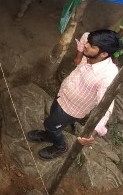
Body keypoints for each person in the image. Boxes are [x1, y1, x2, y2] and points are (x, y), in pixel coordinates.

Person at [27, 29, 121, 160]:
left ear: (104, 54)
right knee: (52, 115)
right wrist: (79, 55)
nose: (87, 45)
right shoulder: (89, 46)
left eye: (92, 46)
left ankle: (60, 147)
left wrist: (92, 133)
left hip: (72, 110)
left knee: (51, 124)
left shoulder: (108, 76)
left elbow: (106, 107)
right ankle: (50, 135)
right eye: (89, 43)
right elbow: (85, 37)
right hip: (62, 95)